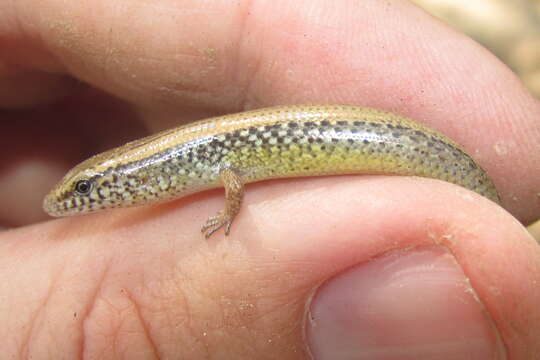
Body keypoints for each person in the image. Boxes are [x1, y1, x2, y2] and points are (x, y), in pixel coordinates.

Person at [1, 0, 539, 358]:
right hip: (378, 140)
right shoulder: (180, 166)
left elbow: (231, 178)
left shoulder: (197, 162)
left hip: (390, 142)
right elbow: (230, 173)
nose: (73, 200)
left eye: (87, 189)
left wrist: (230, 212)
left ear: (127, 176)